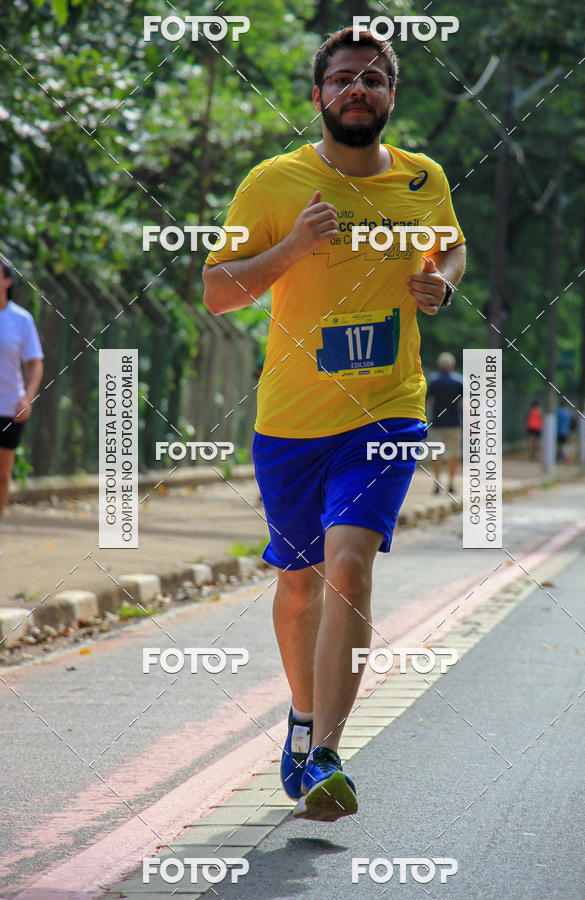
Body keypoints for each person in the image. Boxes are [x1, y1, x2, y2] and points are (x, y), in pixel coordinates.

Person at [203, 28, 466, 821]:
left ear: (392, 98)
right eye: (344, 79)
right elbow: (218, 291)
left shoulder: (425, 177)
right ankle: (301, 714)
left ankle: (322, 753)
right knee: (298, 583)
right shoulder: (275, 182)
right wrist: (293, 245)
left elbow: (449, 250)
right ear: (318, 96)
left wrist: (441, 284)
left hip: (388, 410)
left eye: (375, 80)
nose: (359, 90)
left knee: (349, 565)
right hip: (290, 422)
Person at [0, 263, 44, 523]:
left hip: (9, 407)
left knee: (2, 477)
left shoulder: (21, 319)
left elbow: (34, 362)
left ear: (7, 281)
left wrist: (27, 398)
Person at [426, 352, 463, 495]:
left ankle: (437, 483)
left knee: (436, 453)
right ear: (452, 366)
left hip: (437, 423)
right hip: (454, 424)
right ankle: (451, 483)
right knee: (454, 453)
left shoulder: (434, 381)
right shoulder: (458, 382)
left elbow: (427, 401)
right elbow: (465, 403)